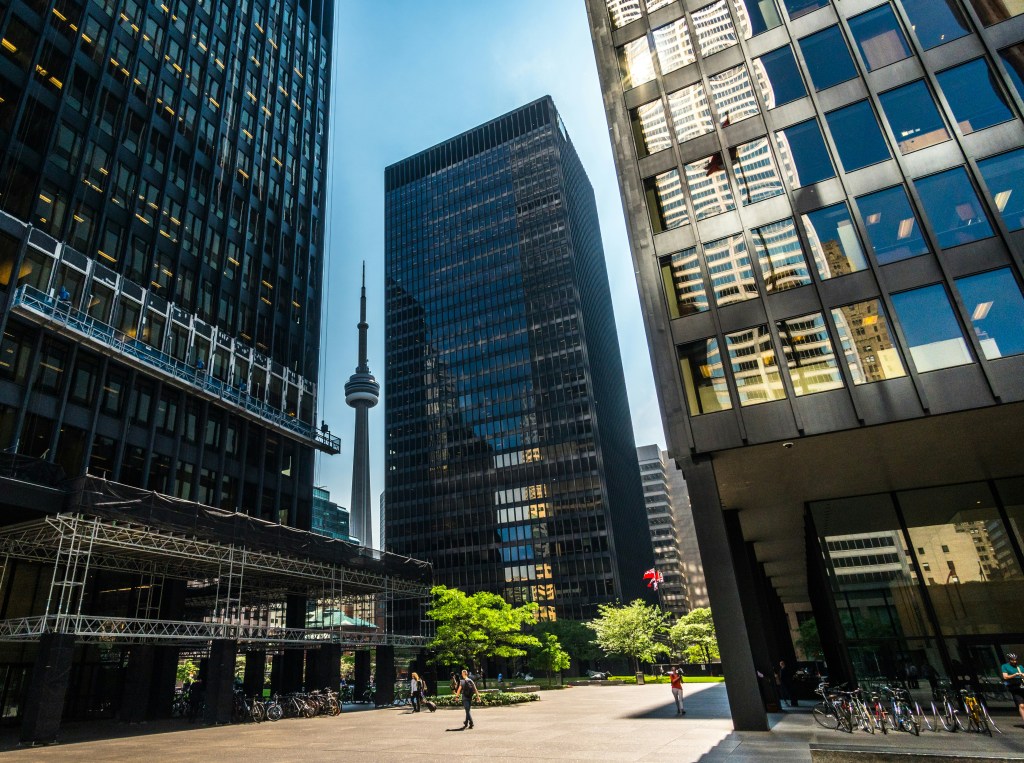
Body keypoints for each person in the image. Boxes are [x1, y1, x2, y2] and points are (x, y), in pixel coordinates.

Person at [1001, 653, 1024, 724]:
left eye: (1015, 660)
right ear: (1009, 660)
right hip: (1014, 687)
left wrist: (1022, 675)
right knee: (1021, 705)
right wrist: (1015, 675)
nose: (1014, 662)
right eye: (1013, 660)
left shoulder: (1020, 667)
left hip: (1022, 685)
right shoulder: (1005, 666)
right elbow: (1005, 677)